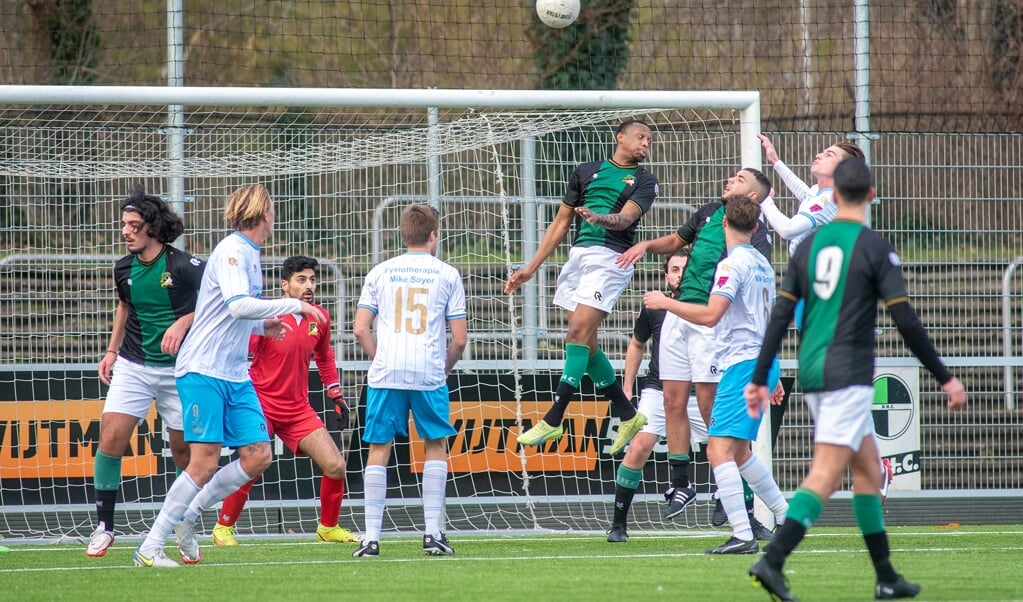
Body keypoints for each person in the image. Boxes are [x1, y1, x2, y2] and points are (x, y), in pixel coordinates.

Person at [745, 158, 967, 601]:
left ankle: (886, 576)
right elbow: (904, 318)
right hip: (847, 373)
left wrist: (759, 376)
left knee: (867, 472)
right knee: (826, 474)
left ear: (832, 194)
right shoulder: (872, 246)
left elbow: (782, 314)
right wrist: (944, 376)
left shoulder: (807, 247)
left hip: (811, 366)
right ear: (870, 195)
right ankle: (773, 560)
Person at [133, 184, 327, 568]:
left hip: (235, 375)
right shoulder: (234, 250)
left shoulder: (250, 254)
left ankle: (190, 514)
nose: (274, 213)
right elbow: (238, 306)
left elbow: (228, 314)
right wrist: (294, 308)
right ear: (264, 214)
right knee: (204, 462)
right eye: (272, 207)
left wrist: (263, 327)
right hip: (204, 369)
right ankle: (150, 546)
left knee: (258, 456)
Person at [617, 168, 773, 519]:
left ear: (751, 198)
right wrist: (645, 244)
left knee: (709, 410)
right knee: (672, 398)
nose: (730, 179)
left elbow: (745, 286)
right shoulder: (706, 212)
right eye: (732, 175)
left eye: (739, 179)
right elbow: (674, 241)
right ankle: (682, 483)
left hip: (707, 320)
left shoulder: (753, 237)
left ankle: (731, 492)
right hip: (678, 318)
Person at [642, 195, 789, 555]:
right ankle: (786, 516)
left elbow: (710, 315)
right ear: (755, 227)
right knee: (738, 452)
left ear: (723, 224)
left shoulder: (730, 265)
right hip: (762, 363)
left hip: (742, 365)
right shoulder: (762, 263)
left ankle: (742, 533)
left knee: (718, 449)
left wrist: (665, 303)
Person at [505, 120, 657, 456]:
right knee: (584, 345)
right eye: (640, 137)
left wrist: (599, 218)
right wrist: (529, 268)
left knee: (576, 333)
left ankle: (555, 415)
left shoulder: (646, 181)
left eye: (650, 140)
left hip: (611, 260)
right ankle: (628, 413)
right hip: (578, 258)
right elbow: (561, 222)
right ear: (619, 137)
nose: (646, 143)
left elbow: (626, 219)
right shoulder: (585, 171)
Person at [757, 134, 895, 500]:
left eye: (829, 153)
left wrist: (764, 200)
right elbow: (805, 196)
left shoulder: (829, 203)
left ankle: (862, 464)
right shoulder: (821, 198)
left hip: (822, 302)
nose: (819, 153)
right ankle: (868, 463)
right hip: (811, 299)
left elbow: (787, 227)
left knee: (835, 382)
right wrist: (775, 162)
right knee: (833, 384)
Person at [87, 185, 205, 558]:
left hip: (179, 370)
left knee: (185, 453)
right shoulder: (122, 267)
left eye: (134, 225)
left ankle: (184, 523)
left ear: (152, 228)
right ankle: (105, 527)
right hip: (133, 365)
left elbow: (215, 307)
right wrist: (110, 351)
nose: (126, 231)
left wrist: (183, 321)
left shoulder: (184, 266)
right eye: (124, 224)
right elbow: (124, 307)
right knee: (111, 437)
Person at [210, 256, 356, 546]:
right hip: (261, 403)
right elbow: (240, 346)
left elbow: (325, 357)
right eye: (301, 280)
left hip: (298, 408)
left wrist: (335, 391)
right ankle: (222, 528)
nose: (309, 285)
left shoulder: (320, 318)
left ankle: (328, 528)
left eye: (312, 279)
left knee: (336, 466)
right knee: (251, 465)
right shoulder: (269, 316)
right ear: (285, 285)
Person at [351, 204, 468, 558]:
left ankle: (371, 539)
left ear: (403, 235)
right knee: (435, 446)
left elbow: (359, 329)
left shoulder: (380, 272)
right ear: (434, 235)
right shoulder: (447, 274)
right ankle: (433, 534)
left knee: (378, 449)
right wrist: (443, 368)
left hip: (387, 372)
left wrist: (381, 358)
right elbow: (459, 339)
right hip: (428, 371)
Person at [606, 249, 711, 543]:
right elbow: (637, 344)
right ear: (667, 277)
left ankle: (749, 518)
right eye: (674, 269)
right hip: (658, 390)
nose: (680, 274)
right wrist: (627, 386)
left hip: (699, 392)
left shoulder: (710, 305)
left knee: (732, 448)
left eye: (685, 269)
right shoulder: (654, 308)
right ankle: (618, 524)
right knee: (638, 447)